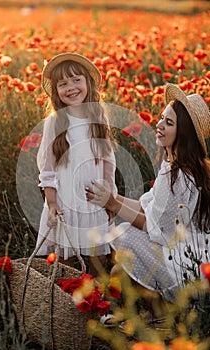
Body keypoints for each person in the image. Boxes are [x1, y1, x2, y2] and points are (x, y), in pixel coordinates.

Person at [86, 83, 210, 314]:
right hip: (180, 255)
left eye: (169, 123)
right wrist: (111, 197)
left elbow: (157, 231)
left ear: (184, 134)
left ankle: (159, 313)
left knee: (126, 233)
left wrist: (113, 204)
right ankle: (123, 309)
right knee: (120, 268)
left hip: (185, 268)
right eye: (162, 117)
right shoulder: (174, 167)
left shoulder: (181, 177)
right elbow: (148, 206)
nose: (159, 125)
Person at [35, 52, 117, 276]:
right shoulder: (54, 122)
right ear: (56, 91)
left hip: (93, 199)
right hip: (65, 201)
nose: (71, 87)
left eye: (76, 80)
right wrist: (52, 203)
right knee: (67, 259)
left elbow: (108, 161)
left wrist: (110, 197)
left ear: (89, 84)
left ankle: (96, 304)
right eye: (63, 83)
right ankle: (67, 304)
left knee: (98, 259)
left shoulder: (98, 117)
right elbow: (47, 167)